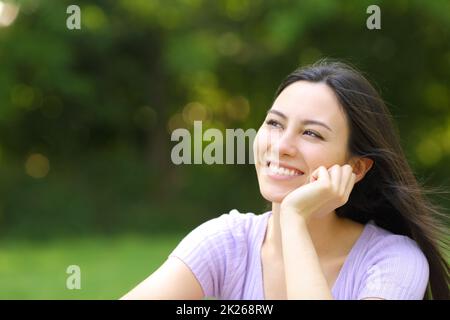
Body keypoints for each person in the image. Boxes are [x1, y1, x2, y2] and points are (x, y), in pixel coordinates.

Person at [121, 59, 449, 300]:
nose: (281, 147)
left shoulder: (392, 262)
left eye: (311, 133)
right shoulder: (227, 244)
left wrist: (293, 218)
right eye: (275, 124)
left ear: (358, 168)